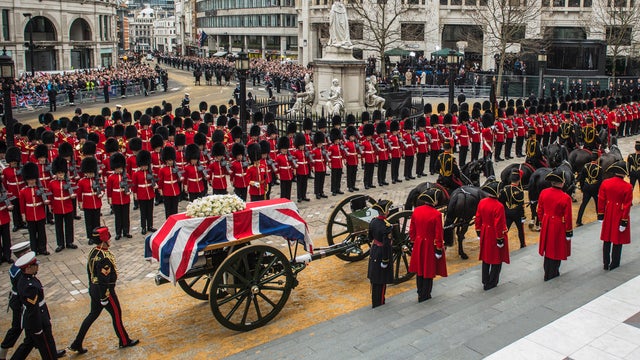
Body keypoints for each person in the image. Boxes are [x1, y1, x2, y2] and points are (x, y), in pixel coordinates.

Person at [68, 227, 139, 354]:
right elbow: (103, 280)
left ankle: (77, 342)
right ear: (104, 240)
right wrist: (104, 297)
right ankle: (124, 340)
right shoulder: (104, 258)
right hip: (105, 291)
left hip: (94, 289)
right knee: (116, 315)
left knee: (92, 315)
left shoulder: (94, 252)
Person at [12, 252, 66, 360]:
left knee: (28, 344)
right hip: (38, 321)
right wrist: (38, 328)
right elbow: (33, 309)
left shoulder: (26, 279)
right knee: (47, 348)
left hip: (33, 320)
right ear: (27, 268)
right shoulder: (29, 286)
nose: (37, 267)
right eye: (34, 265)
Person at [409, 188, 447, 302]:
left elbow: (412, 229)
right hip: (429, 245)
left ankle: (420, 291)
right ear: (434, 201)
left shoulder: (416, 211)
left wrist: (414, 241)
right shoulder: (436, 215)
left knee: (420, 269)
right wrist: (439, 248)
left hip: (418, 243)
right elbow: (438, 234)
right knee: (428, 269)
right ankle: (426, 293)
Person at [538, 168, 573, 281]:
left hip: (546, 222)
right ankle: (553, 272)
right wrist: (569, 231)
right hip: (558, 225)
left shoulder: (543, 192)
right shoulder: (566, 197)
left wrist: (543, 221)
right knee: (557, 249)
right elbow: (568, 216)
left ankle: (547, 271)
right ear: (562, 182)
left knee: (547, 249)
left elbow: (539, 210)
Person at [597, 161, 633, 270]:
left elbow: (601, 199)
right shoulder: (628, 187)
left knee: (606, 240)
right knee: (618, 241)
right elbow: (627, 206)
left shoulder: (605, 183)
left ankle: (605, 263)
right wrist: (624, 221)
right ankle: (614, 264)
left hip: (608, 212)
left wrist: (601, 214)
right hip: (619, 213)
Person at [476, 180, 510, 290]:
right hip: (494, 234)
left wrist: (479, 231)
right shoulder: (499, 206)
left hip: (485, 231)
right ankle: (492, 282)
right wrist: (500, 239)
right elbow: (499, 224)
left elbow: (478, 218)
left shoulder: (482, 202)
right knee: (497, 259)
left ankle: (485, 279)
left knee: (486, 258)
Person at [0, 242, 31, 359]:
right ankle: (2, 352)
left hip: (18, 301)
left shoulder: (16, 267)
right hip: (20, 303)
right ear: (22, 254)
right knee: (17, 328)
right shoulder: (20, 271)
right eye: (27, 251)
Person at [367, 200, 394, 308]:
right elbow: (387, 245)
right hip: (382, 253)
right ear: (386, 212)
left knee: (375, 278)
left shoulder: (373, 221)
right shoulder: (387, 226)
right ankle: (379, 302)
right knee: (381, 280)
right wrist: (385, 260)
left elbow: (370, 237)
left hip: (374, 250)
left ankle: (375, 301)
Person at [19, 162, 49, 255]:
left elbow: (44, 200)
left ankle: (42, 248)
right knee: (32, 234)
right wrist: (23, 215)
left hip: (40, 213)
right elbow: (22, 205)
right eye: (30, 180)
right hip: (30, 214)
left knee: (41, 233)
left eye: (33, 179)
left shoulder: (39, 189)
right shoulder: (23, 191)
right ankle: (34, 250)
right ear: (26, 180)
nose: (32, 181)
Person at [49, 157, 78, 252]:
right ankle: (60, 244)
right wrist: (50, 206)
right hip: (57, 207)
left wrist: (73, 195)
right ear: (56, 173)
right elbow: (50, 196)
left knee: (69, 225)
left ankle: (69, 242)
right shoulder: (52, 183)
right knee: (59, 226)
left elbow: (75, 191)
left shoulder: (68, 182)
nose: (60, 175)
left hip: (67, 205)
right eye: (59, 173)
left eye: (62, 173)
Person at [499, 169, 526, 248]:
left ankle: (501, 244)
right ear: (518, 180)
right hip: (517, 214)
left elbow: (501, 202)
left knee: (505, 230)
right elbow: (521, 205)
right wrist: (522, 216)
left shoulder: (505, 189)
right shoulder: (520, 191)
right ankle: (522, 244)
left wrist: (506, 210)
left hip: (507, 213)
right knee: (520, 230)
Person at [576, 153, 602, 227]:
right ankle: (599, 218)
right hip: (595, 188)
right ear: (597, 159)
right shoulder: (599, 168)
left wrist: (582, 187)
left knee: (583, 204)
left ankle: (578, 220)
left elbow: (582, 178)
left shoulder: (585, 166)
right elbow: (600, 181)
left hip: (586, 187)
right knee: (597, 203)